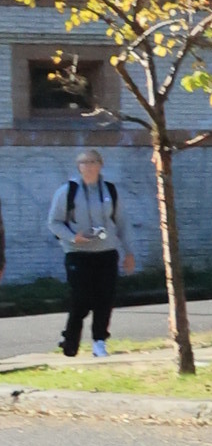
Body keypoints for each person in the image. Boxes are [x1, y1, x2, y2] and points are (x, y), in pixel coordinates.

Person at [48, 144, 135, 361]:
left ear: (100, 165)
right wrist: (72, 237)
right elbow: (54, 222)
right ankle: (70, 340)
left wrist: (129, 252)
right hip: (77, 253)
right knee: (80, 298)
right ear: (78, 166)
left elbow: (122, 223)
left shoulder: (110, 191)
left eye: (92, 162)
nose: (87, 166)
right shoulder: (67, 191)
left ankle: (99, 342)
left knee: (105, 299)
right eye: (83, 163)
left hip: (106, 252)